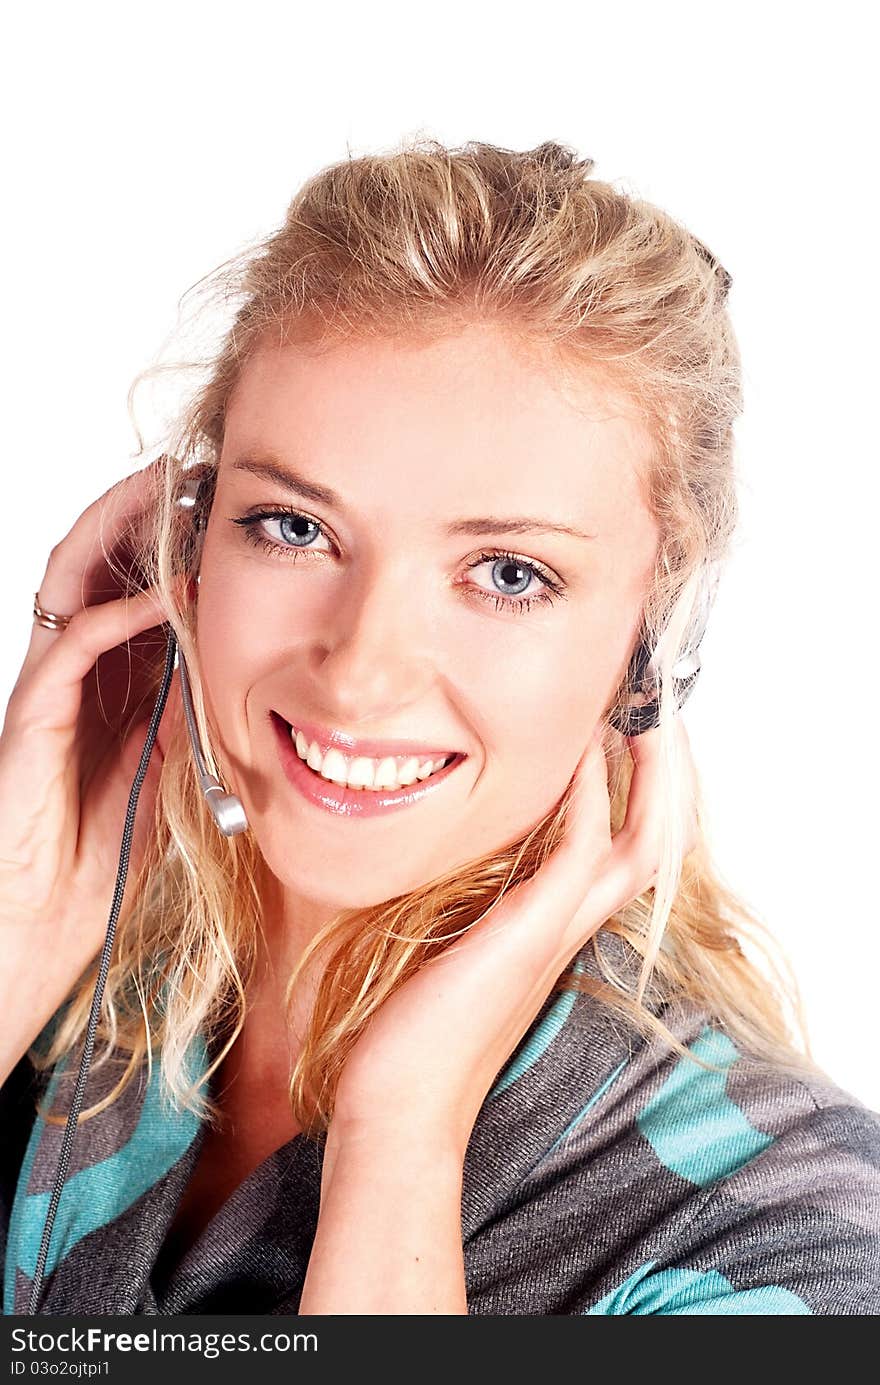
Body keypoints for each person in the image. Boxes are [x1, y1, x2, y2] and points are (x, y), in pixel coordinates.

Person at [1, 138, 879, 1317]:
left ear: (648, 641)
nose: (359, 674)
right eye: (294, 528)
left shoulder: (795, 1225)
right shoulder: (55, 995)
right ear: (184, 544)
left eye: (508, 573)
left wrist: (400, 1139)